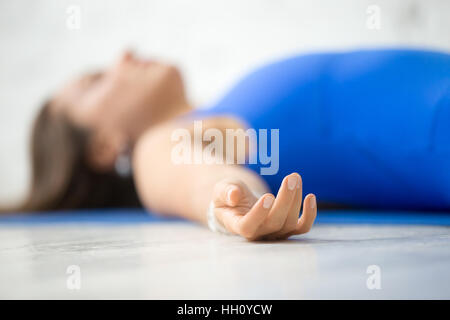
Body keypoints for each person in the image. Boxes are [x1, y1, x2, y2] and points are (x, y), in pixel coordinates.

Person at [6, 49, 450, 240]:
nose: (123, 56)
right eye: (96, 79)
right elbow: (184, 170)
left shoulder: (220, 108)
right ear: (103, 148)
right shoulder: (159, 143)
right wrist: (229, 201)